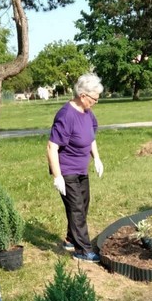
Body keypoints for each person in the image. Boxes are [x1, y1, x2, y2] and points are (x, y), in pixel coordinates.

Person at [47, 73, 104, 262]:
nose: (96, 102)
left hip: (82, 169)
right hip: (67, 170)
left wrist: (96, 158)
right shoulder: (66, 115)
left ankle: (71, 239)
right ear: (83, 95)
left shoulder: (88, 113)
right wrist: (57, 177)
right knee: (77, 208)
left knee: (82, 205)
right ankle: (83, 250)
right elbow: (52, 147)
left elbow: (90, 137)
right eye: (94, 98)